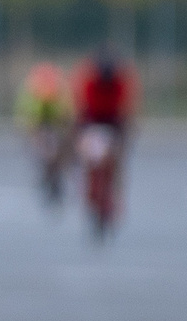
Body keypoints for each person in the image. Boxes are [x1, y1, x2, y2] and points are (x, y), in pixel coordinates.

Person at [69, 45, 137, 233]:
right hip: (91, 120)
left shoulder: (121, 81)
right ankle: (86, 188)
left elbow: (127, 111)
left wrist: (125, 133)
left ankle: (116, 194)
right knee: (85, 154)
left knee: (118, 159)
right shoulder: (86, 79)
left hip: (114, 122)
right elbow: (79, 109)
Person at [16, 61, 72, 208]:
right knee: (39, 148)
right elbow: (27, 118)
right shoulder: (32, 93)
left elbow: (68, 115)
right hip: (39, 124)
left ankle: (61, 171)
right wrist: (30, 132)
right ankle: (44, 171)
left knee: (63, 146)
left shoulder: (61, 93)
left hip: (56, 123)